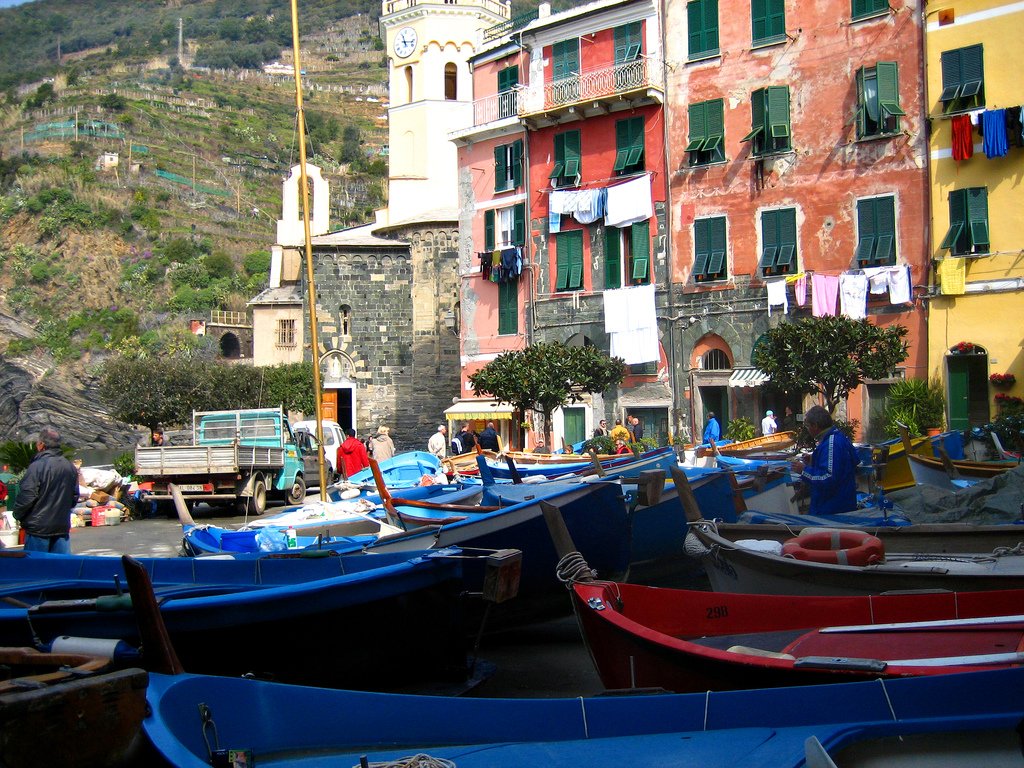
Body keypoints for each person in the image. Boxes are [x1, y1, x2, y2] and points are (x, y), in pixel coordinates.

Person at [12, 427, 78, 554]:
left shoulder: (37, 467)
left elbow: (27, 496)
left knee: (36, 570)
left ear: (41, 445)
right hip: (61, 527)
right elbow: (74, 497)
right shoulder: (69, 467)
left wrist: (18, 514)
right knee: (61, 570)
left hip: (38, 530)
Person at [790, 405, 859, 516]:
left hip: (832, 510)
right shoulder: (838, 437)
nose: (807, 430)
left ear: (815, 426)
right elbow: (852, 461)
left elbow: (828, 477)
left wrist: (803, 470)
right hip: (842, 505)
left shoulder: (831, 444)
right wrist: (814, 460)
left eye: (808, 426)